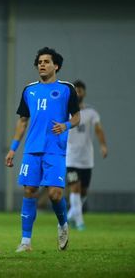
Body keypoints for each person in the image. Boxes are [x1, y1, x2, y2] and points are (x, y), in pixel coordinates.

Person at [5, 47, 80, 252]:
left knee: (55, 194)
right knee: (29, 191)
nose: (42, 65)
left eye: (46, 61)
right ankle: (25, 242)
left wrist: (66, 125)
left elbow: (76, 117)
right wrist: (13, 149)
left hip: (55, 149)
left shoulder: (66, 89)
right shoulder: (29, 90)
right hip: (32, 149)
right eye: (39, 62)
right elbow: (22, 121)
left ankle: (63, 224)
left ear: (56, 66)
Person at [66, 80, 108, 230]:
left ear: (84, 93)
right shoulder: (65, 111)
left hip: (86, 159)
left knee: (83, 192)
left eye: (80, 90)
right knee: (74, 188)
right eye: (75, 90)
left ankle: (71, 215)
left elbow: (98, 130)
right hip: (70, 158)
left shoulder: (91, 112)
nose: (78, 93)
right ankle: (79, 221)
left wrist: (103, 145)